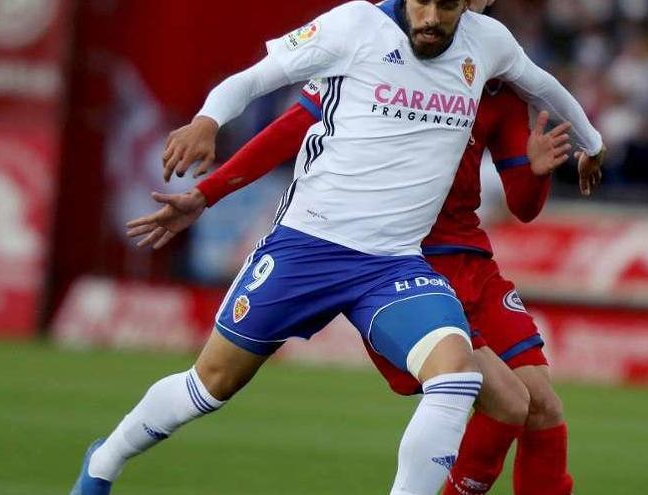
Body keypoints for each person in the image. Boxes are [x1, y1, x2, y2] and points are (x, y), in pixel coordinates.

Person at [71, 1, 604, 494]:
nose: (432, 16)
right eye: (423, 0)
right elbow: (258, 78)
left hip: (394, 265)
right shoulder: (355, 26)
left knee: (457, 377)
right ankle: (104, 461)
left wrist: (593, 144)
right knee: (210, 385)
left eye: (448, 4)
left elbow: (545, 87)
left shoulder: (488, 44)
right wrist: (209, 121)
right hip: (308, 249)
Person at [194, 74, 584, 494]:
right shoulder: (387, 64)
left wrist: (536, 172)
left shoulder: (499, 91)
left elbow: (524, 207)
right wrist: (207, 192)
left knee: (542, 405)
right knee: (507, 402)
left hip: (472, 262)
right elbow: (289, 128)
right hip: (405, 262)